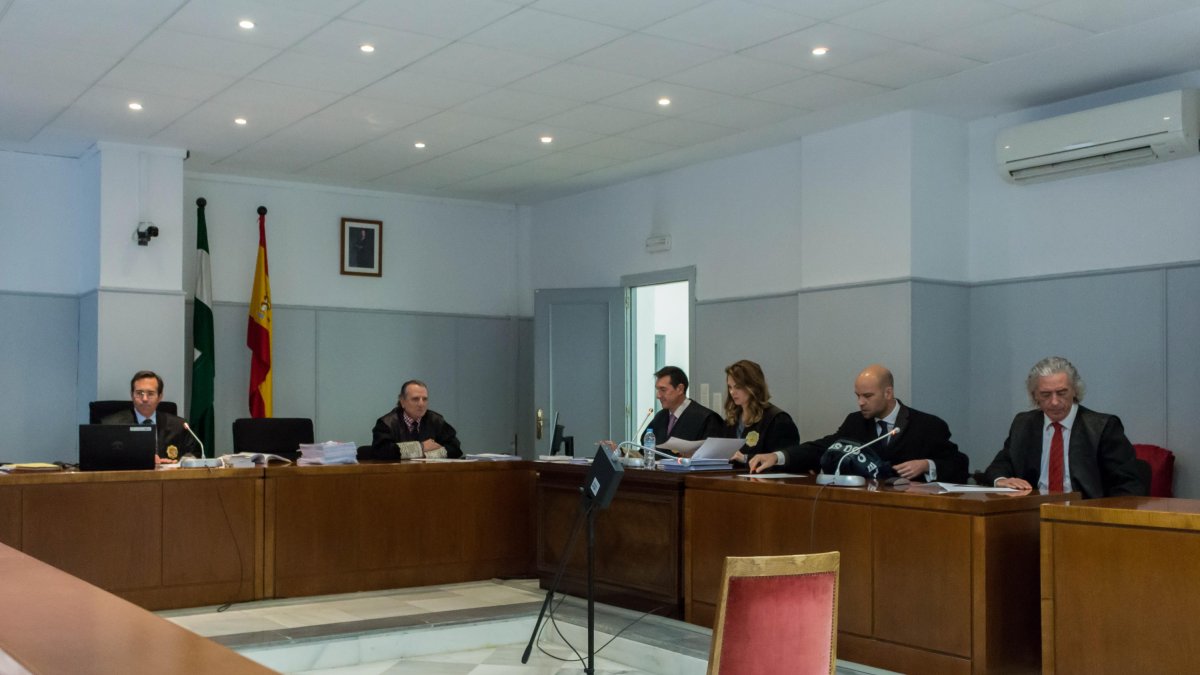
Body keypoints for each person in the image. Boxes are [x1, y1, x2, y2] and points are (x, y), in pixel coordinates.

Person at [748, 364, 969, 482]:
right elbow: (825, 446)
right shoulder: (856, 422)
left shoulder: (928, 425)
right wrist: (777, 456)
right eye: (857, 395)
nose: (860, 402)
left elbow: (959, 464)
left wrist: (927, 465)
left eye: (868, 396)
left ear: (888, 392)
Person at [983, 356, 1144, 498]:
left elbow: (1129, 486)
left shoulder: (1102, 427)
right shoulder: (1024, 424)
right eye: (1046, 394)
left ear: (1075, 390)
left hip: (1084, 517)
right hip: (1031, 515)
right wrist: (1002, 480)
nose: (1054, 402)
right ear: (1034, 396)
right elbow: (998, 466)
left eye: (1061, 393)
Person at [101, 370, 196, 462]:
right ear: (132, 395)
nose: (145, 399)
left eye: (150, 394)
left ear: (160, 397)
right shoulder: (111, 425)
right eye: (139, 393)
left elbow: (193, 455)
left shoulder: (179, 426)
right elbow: (104, 459)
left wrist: (181, 461)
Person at [722, 359, 800, 464]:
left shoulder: (778, 420)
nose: (732, 392)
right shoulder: (732, 419)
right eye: (730, 387)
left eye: (738, 387)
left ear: (753, 386)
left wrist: (746, 458)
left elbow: (784, 461)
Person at [362, 380, 463, 460]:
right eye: (415, 399)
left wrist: (425, 455)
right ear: (402, 401)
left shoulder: (436, 420)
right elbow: (381, 451)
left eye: (425, 399)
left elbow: (455, 448)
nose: (421, 404)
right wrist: (421, 447)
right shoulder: (386, 423)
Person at [645, 366, 722, 450]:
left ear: (680, 389)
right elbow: (646, 450)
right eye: (657, 390)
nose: (658, 395)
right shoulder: (660, 417)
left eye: (663, 390)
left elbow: (712, 455)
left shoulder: (707, 419)